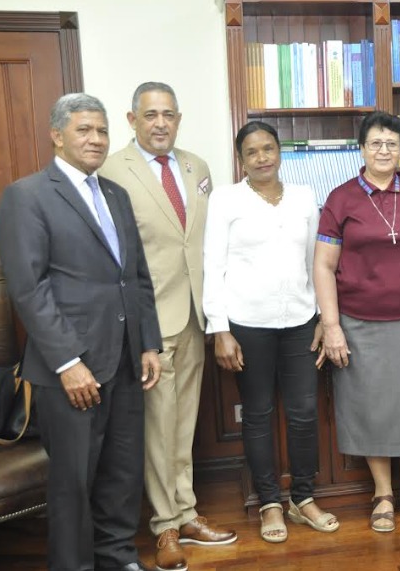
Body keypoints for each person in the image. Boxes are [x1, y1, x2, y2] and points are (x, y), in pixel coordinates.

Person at [0, 93, 162, 571]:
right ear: (57, 135)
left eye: (102, 131)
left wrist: (148, 342)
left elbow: (136, 276)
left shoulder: (116, 195)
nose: (95, 139)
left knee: (121, 476)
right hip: (71, 371)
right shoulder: (27, 196)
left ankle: (118, 557)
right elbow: (29, 289)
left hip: (127, 363)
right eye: (84, 130)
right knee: (72, 484)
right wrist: (68, 362)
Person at [99, 82, 236, 571]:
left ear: (179, 119)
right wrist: (138, 331)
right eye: (150, 114)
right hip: (149, 322)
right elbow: (115, 257)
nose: (161, 123)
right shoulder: (112, 168)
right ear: (132, 119)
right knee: (157, 427)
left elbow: (205, 241)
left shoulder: (197, 166)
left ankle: (186, 511)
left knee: (183, 426)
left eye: (169, 114)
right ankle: (165, 527)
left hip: (196, 314)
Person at [313, 111, 400, 533]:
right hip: (360, 322)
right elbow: (323, 266)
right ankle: (382, 492)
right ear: (361, 148)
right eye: (375, 143)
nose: (383, 151)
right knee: (372, 408)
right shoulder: (341, 200)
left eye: (392, 144)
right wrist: (332, 324)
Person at [203, 121, 338, 543]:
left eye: (268, 148)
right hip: (248, 324)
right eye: (252, 152)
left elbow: (315, 260)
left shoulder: (303, 197)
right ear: (240, 159)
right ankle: (268, 503)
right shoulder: (226, 200)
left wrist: (321, 315)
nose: (262, 157)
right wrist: (219, 329)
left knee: (303, 412)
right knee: (257, 415)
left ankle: (302, 497)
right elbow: (213, 265)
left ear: (280, 152)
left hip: (299, 320)